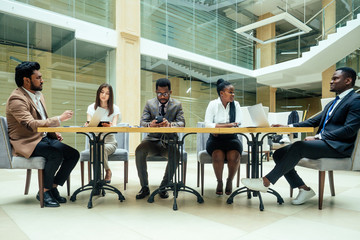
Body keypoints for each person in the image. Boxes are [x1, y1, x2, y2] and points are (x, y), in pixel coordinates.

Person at [242, 67, 360, 205]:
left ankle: (265, 182)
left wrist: (318, 137)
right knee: (279, 154)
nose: (331, 81)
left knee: (299, 146)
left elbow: (349, 130)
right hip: (327, 143)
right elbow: (312, 121)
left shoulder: (355, 100)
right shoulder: (333, 103)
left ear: (348, 80)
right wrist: (288, 126)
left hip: (339, 146)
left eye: (335, 78)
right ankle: (304, 189)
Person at [6, 61, 79, 207]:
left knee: (73, 154)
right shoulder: (16, 99)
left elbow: (42, 121)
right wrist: (59, 118)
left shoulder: (39, 95)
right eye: (38, 77)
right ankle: (44, 191)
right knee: (55, 153)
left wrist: (53, 131)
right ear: (26, 80)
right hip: (27, 142)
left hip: (42, 138)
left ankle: (52, 187)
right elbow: (31, 124)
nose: (42, 80)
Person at [135, 78, 185, 199]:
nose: (162, 96)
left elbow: (182, 123)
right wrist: (150, 124)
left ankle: (163, 186)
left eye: (165, 93)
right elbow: (142, 122)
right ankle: (144, 187)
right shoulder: (149, 103)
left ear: (170, 92)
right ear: (155, 91)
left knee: (176, 155)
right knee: (139, 151)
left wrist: (170, 125)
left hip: (169, 142)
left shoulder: (177, 105)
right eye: (159, 93)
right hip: (152, 140)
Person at [204, 79, 243, 195]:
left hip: (232, 139)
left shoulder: (235, 105)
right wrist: (229, 125)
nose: (233, 94)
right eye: (230, 92)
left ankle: (229, 180)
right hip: (215, 139)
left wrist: (219, 127)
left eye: (233, 92)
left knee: (234, 156)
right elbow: (207, 124)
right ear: (222, 93)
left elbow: (239, 123)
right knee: (217, 155)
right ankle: (219, 181)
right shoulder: (213, 104)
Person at [86, 83, 121, 183]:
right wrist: (88, 125)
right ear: (98, 93)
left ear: (110, 96)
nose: (104, 95)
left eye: (107, 93)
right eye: (102, 92)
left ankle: (105, 172)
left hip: (110, 142)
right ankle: (99, 179)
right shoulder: (91, 107)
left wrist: (110, 127)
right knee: (95, 148)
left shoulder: (115, 109)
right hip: (95, 140)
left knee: (100, 149)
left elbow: (114, 128)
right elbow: (89, 126)